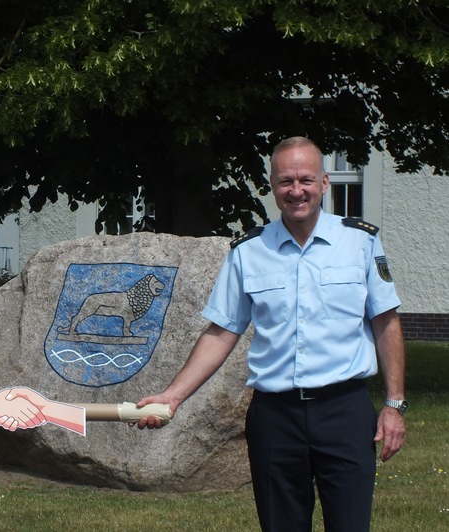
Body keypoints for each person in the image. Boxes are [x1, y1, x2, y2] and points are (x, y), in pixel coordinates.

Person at [134, 136, 406, 532]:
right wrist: (173, 397)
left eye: (306, 180)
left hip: (344, 412)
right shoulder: (248, 250)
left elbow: (386, 321)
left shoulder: (360, 242)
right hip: (275, 418)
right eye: (285, 181)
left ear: (325, 183)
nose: (297, 190)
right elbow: (222, 331)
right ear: (273, 186)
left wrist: (395, 404)